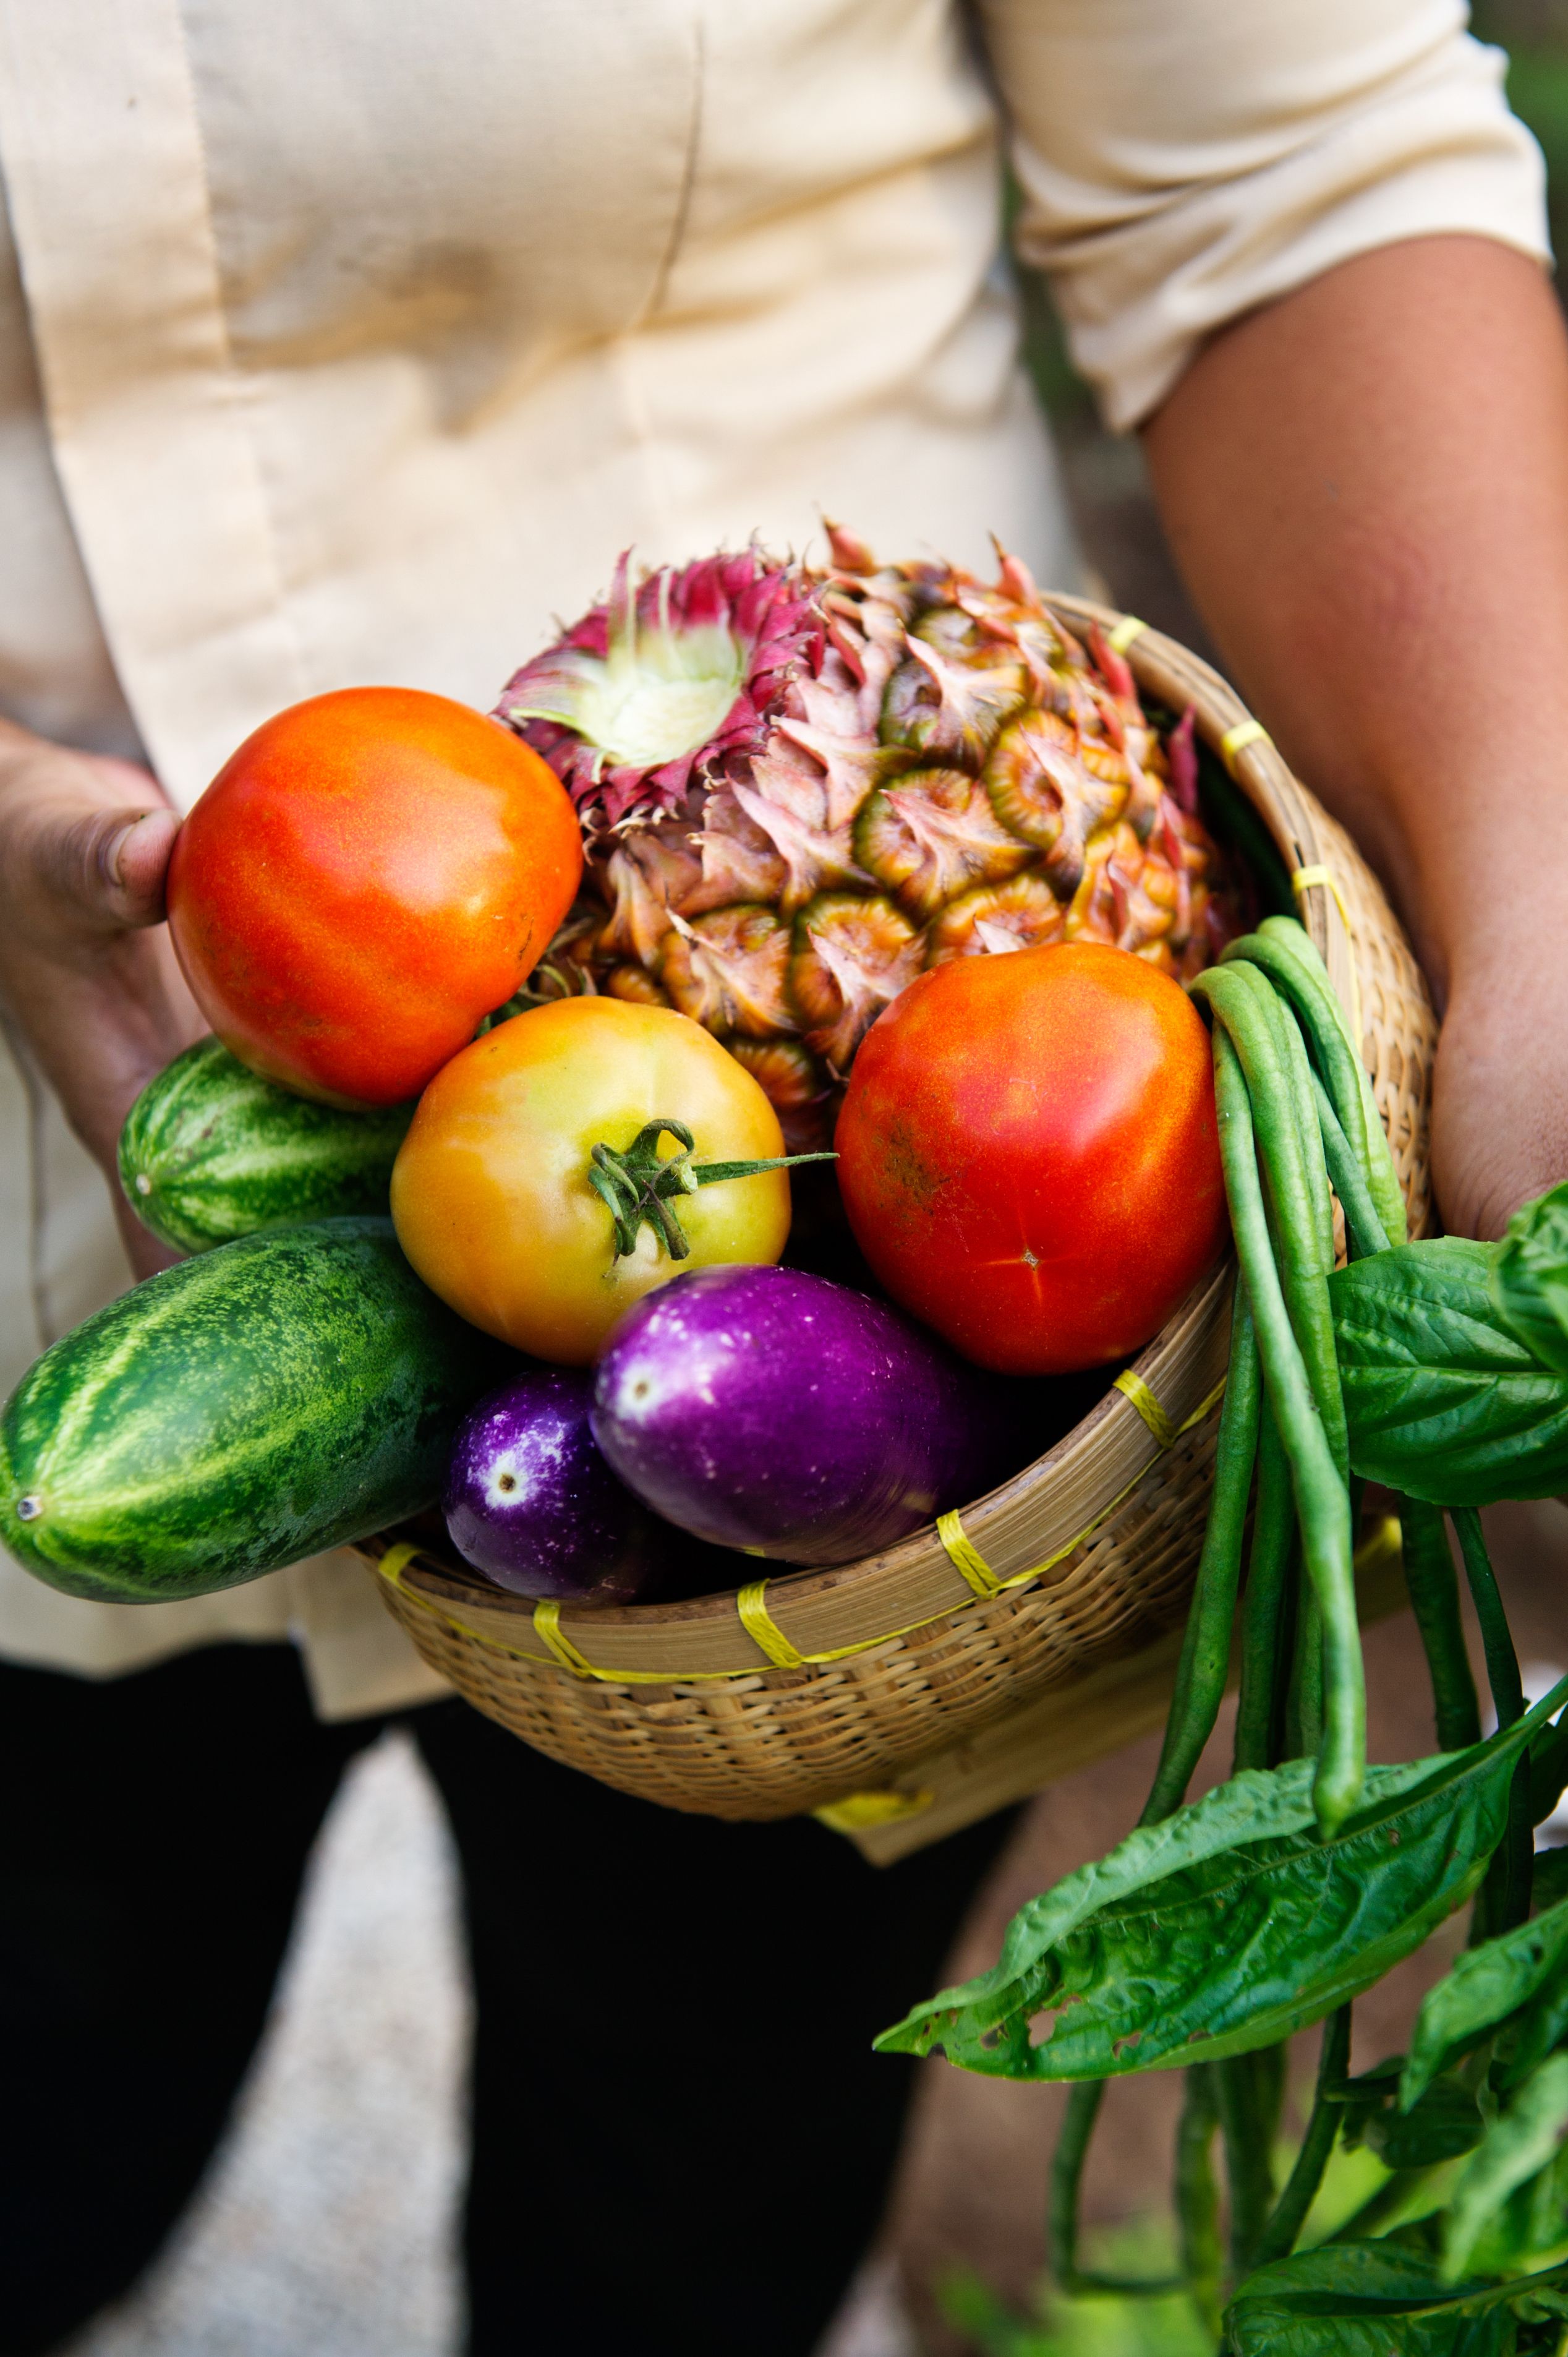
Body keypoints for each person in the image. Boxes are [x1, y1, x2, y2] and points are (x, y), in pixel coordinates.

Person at [0, 4, 1561, 2351]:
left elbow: (1284, 172)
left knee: (693, 2211)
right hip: (59, 1270)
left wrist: (1540, 918)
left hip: (920, 1257)